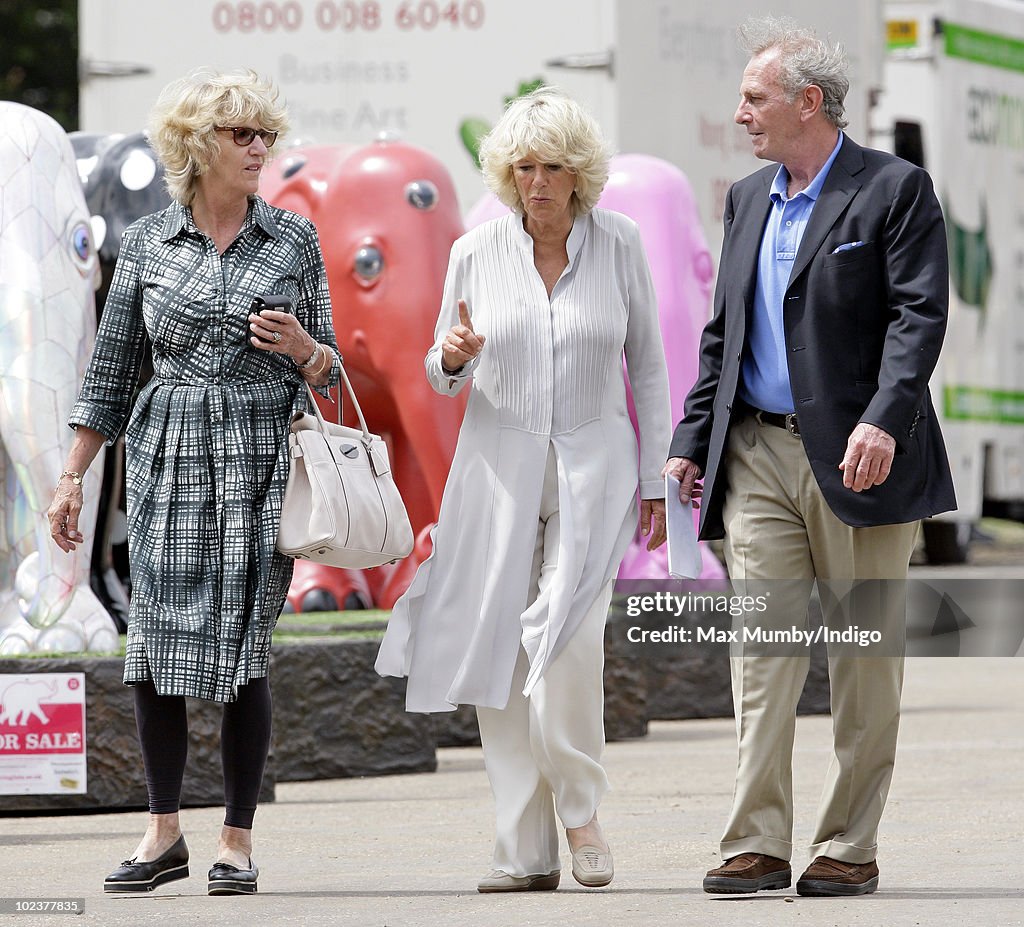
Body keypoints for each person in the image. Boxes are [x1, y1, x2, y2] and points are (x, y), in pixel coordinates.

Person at [665, 15, 956, 898]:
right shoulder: (747, 196)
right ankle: (756, 841)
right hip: (756, 453)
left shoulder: (896, 189)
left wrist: (884, 418)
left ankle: (849, 844)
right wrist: (692, 440)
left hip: (862, 460)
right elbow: (726, 331)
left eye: (755, 98)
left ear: (808, 103)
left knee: (863, 663)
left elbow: (919, 316)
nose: (742, 112)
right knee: (763, 653)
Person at [46, 69, 340, 896]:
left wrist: (300, 348)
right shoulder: (145, 244)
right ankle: (162, 829)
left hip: (255, 453)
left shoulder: (293, 240)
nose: (257, 149)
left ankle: (237, 839)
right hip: (167, 454)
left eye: (263, 135)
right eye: (239, 135)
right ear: (195, 147)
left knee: (245, 648)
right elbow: (108, 378)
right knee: (156, 646)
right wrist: (72, 476)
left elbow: (333, 372)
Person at [376, 87, 671, 893]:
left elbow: (646, 364)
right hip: (496, 468)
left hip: (596, 462)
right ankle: (521, 849)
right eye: (524, 167)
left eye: (553, 167)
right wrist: (456, 354)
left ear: (581, 174)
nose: (537, 182)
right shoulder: (475, 251)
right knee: (501, 657)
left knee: (569, 640)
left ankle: (580, 810)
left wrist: (655, 479)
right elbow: (438, 378)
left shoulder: (621, 243)